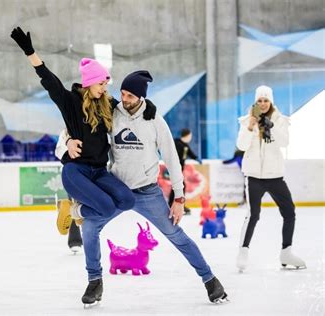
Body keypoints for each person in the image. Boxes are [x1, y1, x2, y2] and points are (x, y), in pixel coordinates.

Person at [63, 71, 228, 305]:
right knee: (90, 229)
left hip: (147, 192)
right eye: (122, 93)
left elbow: (172, 158)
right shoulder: (111, 112)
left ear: (141, 97)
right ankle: (94, 282)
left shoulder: (155, 121)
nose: (124, 98)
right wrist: (67, 143)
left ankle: (210, 280)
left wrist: (179, 198)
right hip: (116, 189)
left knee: (175, 234)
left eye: (130, 95)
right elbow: (73, 128)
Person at [10, 27, 156, 236]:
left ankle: (72, 210)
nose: (105, 87)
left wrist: (147, 105)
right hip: (76, 171)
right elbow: (49, 80)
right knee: (105, 207)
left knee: (127, 200)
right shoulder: (70, 102)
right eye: (101, 83)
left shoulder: (107, 102)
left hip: (99, 170)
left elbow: (129, 105)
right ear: (89, 83)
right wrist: (30, 53)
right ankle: (70, 209)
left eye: (106, 83)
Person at [235, 85, 306, 272]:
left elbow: (285, 142)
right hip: (254, 177)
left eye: (266, 100)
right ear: (256, 102)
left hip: (275, 175)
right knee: (253, 214)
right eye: (260, 100)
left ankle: (286, 251)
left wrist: (271, 127)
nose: (263, 103)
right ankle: (243, 251)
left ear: (271, 102)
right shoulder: (246, 121)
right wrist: (251, 126)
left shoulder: (280, 120)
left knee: (289, 211)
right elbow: (242, 146)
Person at [168, 128, 201, 215]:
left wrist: (196, 158)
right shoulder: (178, 143)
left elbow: (190, 153)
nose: (190, 137)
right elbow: (173, 156)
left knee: (177, 186)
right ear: (187, 135)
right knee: (180, 186)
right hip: (175, 169)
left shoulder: (185, 145)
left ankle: (172, 204)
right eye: (190, 136)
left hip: (180, 169)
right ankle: (175, 204)